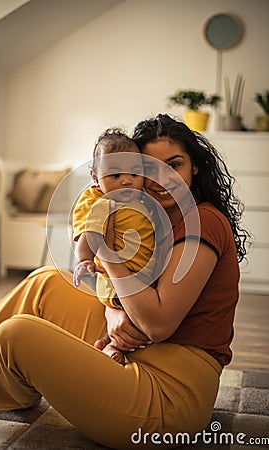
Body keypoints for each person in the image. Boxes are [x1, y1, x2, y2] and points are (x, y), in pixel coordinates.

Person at [0, 113, 250, 450]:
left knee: (15, 333)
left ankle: (13, 386)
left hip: (169, 397)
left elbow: (158, 323)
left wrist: (105, 249)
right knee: (44, 282)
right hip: (144, 350)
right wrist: (113, 312)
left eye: (174, 164)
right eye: (147, 169)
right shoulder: (154, 217)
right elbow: (129, 294)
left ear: (195, 167)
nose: (161, 179)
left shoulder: (204, 221)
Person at [73, 128, 156, 364]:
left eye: (134, 173)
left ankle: (105, 341)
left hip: (141, 274)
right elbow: (88, 234)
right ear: (95, 178)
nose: (126, 180)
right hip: (117, 283)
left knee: (140, 315)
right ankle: (111, 347)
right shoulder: (104, 204)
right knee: (136, 319)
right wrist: (85, 259)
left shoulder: (142, 201)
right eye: (115, 175)